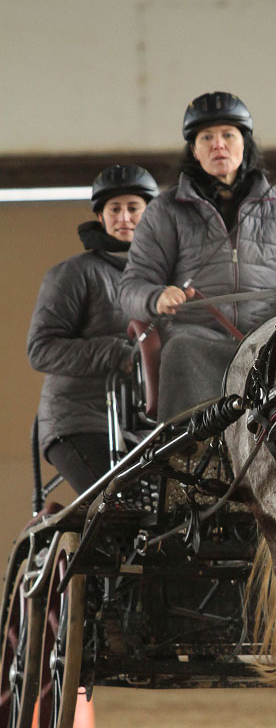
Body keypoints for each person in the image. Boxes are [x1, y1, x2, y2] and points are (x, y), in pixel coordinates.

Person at [118, 92, 276, 422]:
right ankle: (184, 458)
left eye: (228, 135)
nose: (218, 144)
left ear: (245, 143)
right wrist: (157, 296)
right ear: (193, 149)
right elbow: (131, 288)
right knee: (180, 349)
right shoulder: (165, 211)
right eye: (206, 137)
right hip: (197, 339)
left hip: (268, 337)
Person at [27, 164, 159, 494]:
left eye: (133, 208)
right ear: (100, 217)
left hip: (143, 429)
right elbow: (41, 349)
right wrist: (118, 354)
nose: (125, 217)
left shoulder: (162, 283)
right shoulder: (76, 273)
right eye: (114, 209)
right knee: (117, 509)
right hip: (80, 422)